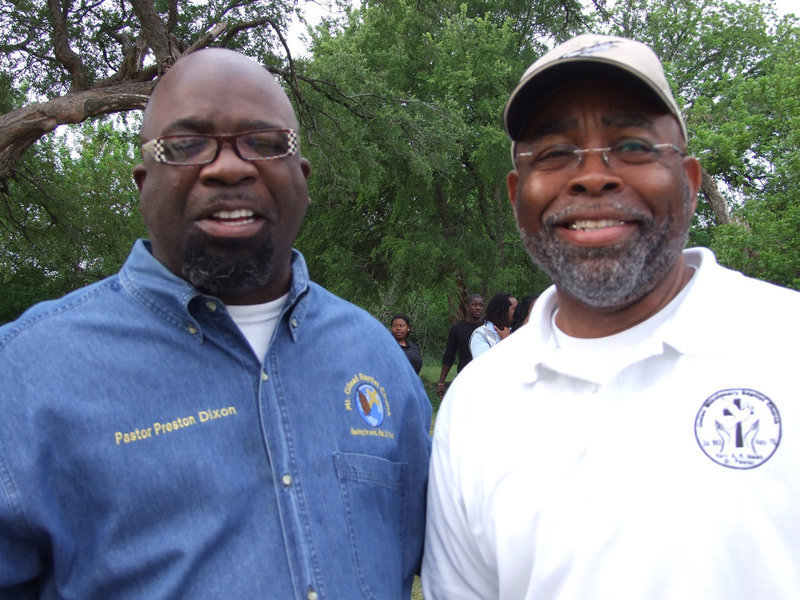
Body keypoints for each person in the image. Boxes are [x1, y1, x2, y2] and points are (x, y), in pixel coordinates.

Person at [0, 48, 432, 599]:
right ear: (142, 183)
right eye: (186, 145)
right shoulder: (22, 377)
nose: (229, 166)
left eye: (265, 142)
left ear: (302, 178)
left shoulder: (373, 358)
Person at [423, 33, 800, 599]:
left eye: (632, 146)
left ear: (691, 183)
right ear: (516, 194)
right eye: (552, 154)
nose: (593, 175)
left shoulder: (785, 344)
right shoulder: (478, 404)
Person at [436, 293, 483, 398]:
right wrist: (441, 382)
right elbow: (449, 356)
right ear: (467, 307)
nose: (478, 308)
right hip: (464, 377)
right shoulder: (457, 329)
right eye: (474, 305)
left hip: (484, 378)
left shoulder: (487, 327)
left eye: (481, 305)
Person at [468, 292, 517, 358]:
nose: (518, 311)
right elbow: (485, 365)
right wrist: (506, 342)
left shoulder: (515, 331)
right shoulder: (481, 335)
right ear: (502, 310)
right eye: (514, 309)